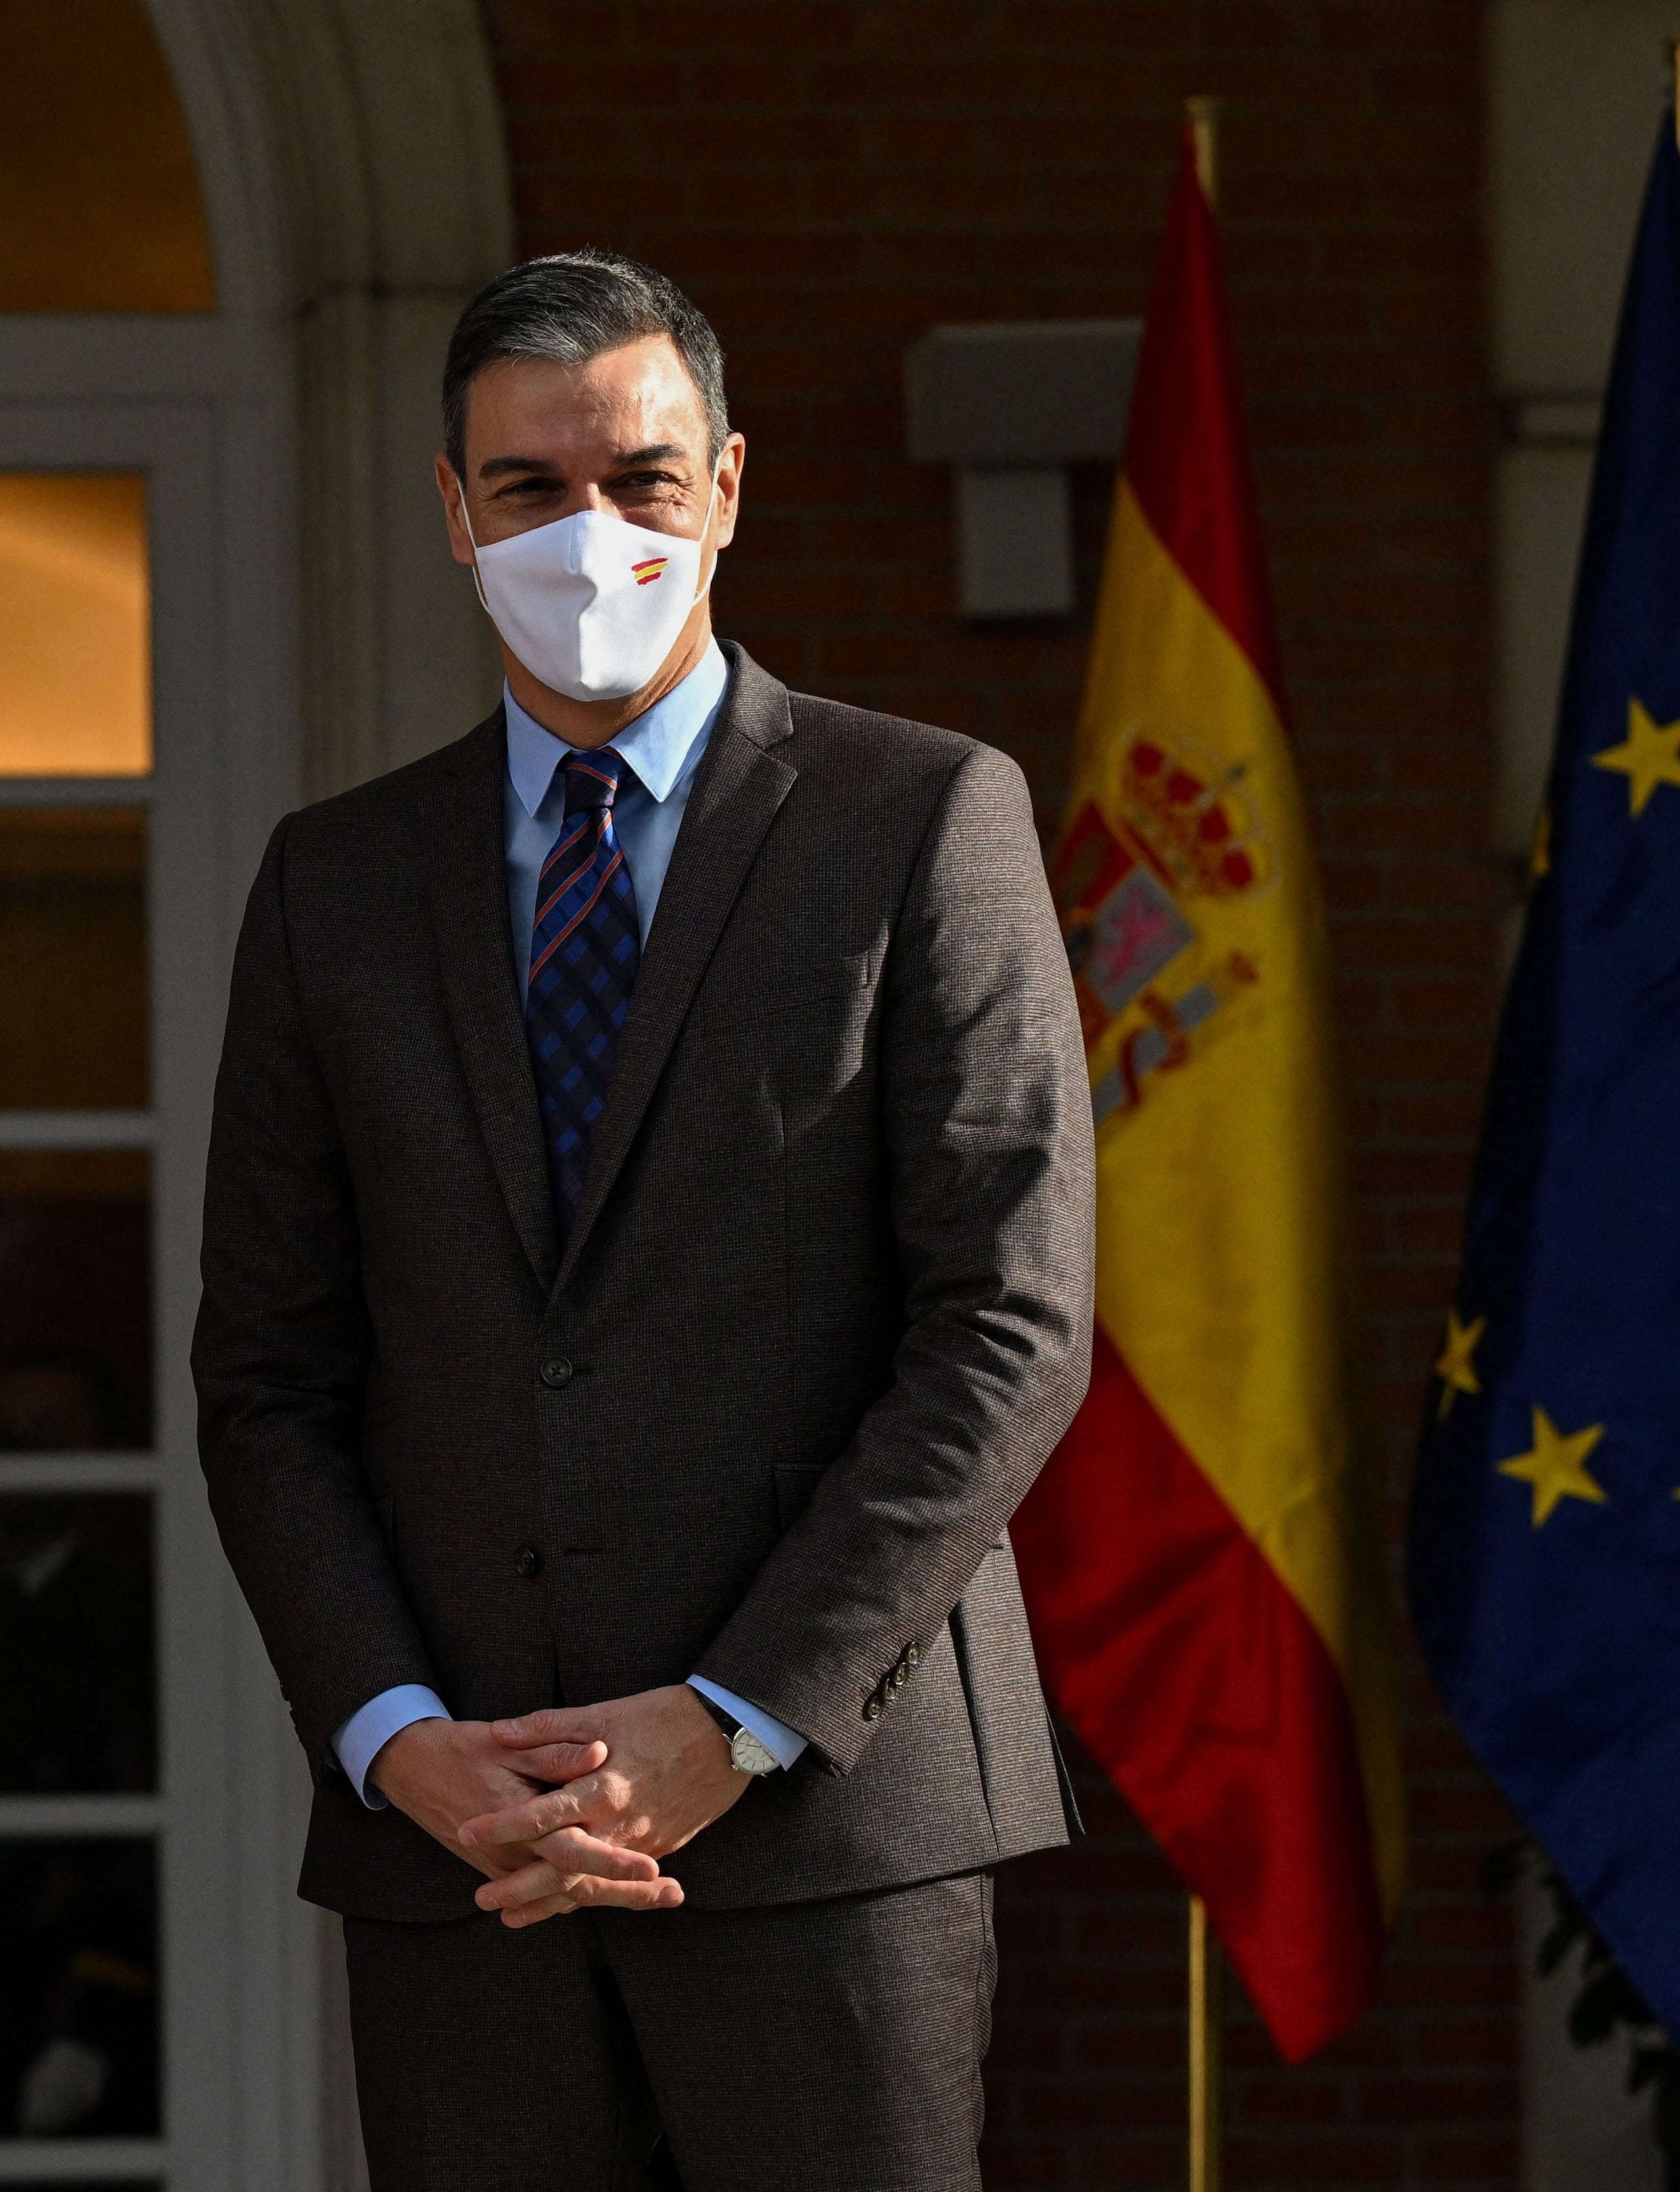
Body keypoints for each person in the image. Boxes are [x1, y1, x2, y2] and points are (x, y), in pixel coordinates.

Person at [192, 252, 1095, 2190]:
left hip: (828, 1827)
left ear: (731, 487)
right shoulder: (329, 883)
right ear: (451, 507)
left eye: (642, 480)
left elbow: (1007, 1327)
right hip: (465, 1846)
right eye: (528, 487)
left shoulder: (924, 816)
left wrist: (734, 1714)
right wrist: (394, 1732)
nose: (586, 530)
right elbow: (269, 1370)